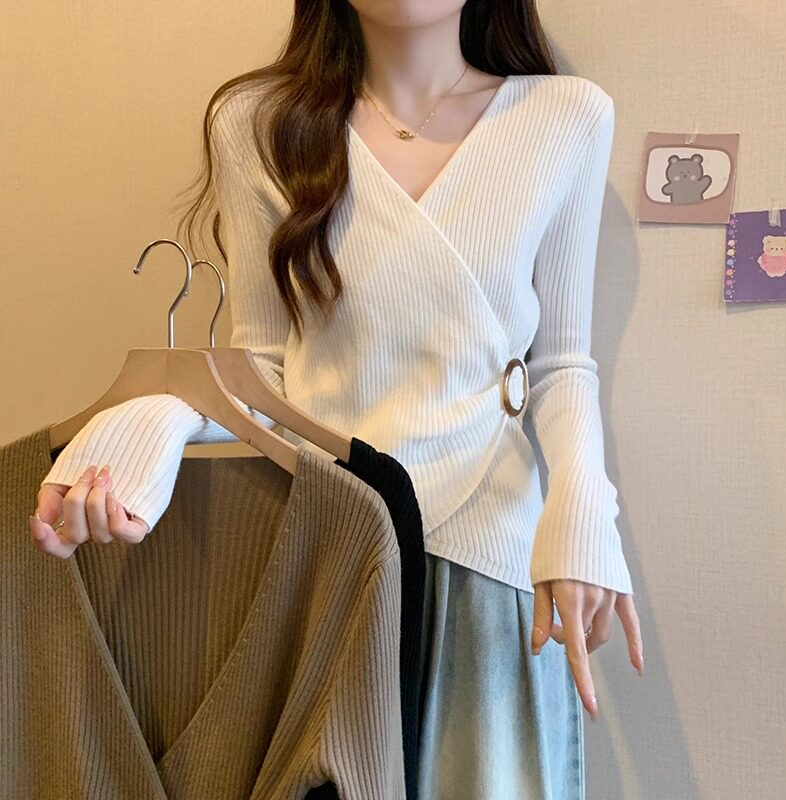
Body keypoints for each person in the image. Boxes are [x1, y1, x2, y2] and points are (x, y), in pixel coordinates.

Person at [30, 1, 644, 797]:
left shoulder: (565, 115)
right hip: (330, 553)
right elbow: (260, 371)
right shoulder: (259, 122)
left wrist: (584, 515)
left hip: (487, 561)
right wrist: (154, 419)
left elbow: (559, 363)